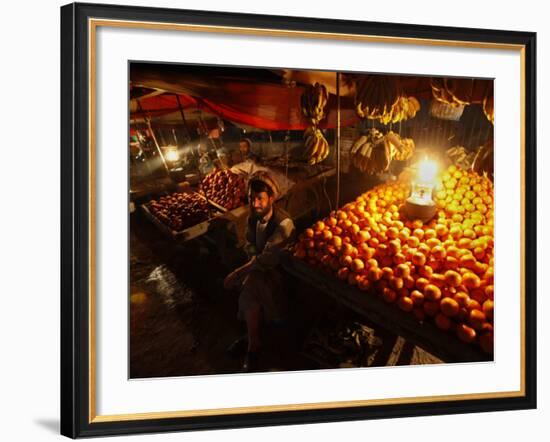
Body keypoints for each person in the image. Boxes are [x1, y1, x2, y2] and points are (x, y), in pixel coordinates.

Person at [223, 171, 295, 372]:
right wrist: (253, 259)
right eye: (251, 199)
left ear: (271, 198)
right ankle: (253, 341)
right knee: (252, 285)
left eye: (260, 199)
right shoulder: (252, 218)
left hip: (282, 272)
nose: (255, 204)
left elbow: (269, 258)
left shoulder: (284, 223)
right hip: (259, 270)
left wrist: (239, 272)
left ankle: (252, 341)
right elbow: (249, 244)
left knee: (249, 285)